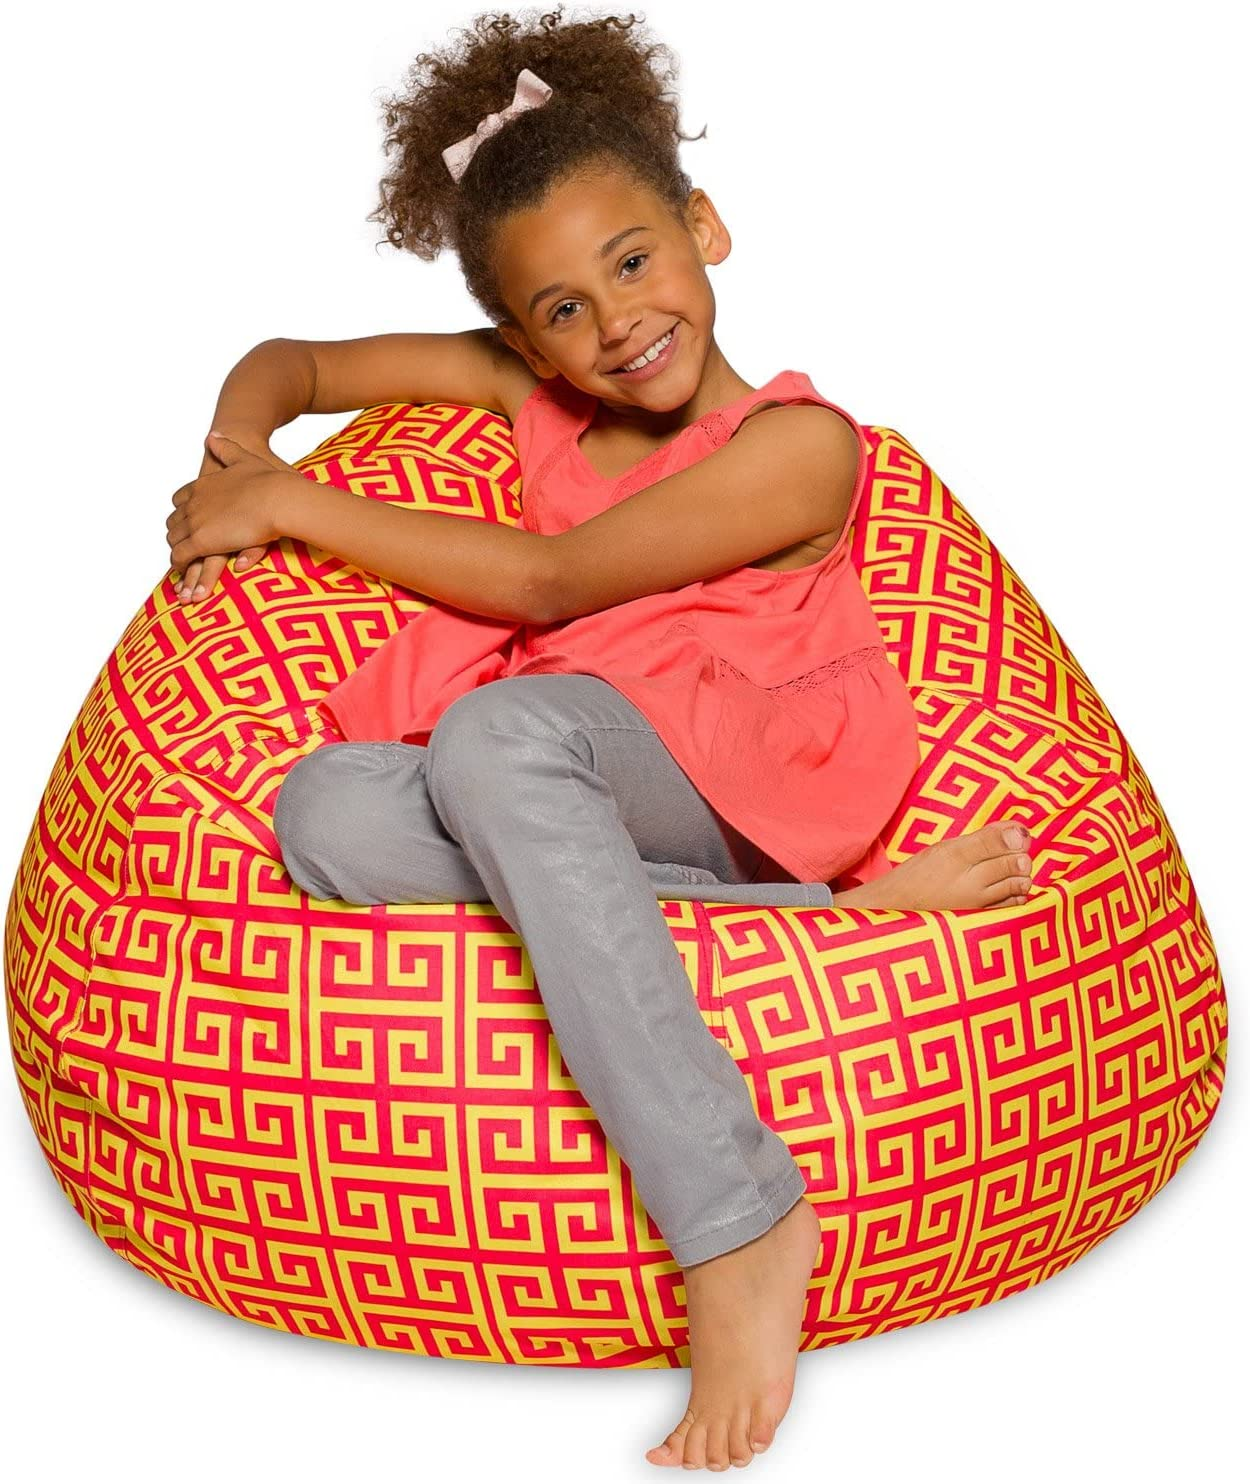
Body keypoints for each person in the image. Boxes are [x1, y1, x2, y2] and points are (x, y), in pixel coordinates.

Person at [164, 7, 1034, 1471]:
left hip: (742, 767)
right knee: (326, 812)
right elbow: (293, 360)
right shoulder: (539, 394)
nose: (615, 322)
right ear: (524, 338)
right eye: (561, 309)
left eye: (634, 262)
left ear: (704, 226)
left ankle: (738, 1219)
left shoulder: (800, 446)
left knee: (496, 737)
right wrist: (236, 463)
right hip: (568, 769)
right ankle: (827, 924)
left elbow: (551, 583)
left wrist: (296, 504)